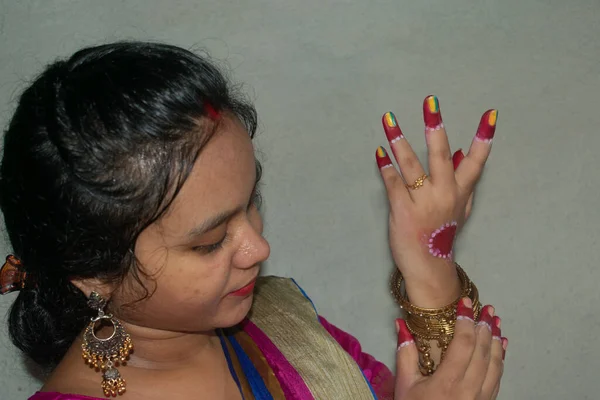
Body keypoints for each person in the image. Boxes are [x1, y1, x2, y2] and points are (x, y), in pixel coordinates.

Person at [0, 41, 506, 400]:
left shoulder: (277, 319)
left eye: (252, 201)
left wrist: (426, 265)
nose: (258, 249)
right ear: (93, 273)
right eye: (211, 242)